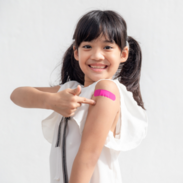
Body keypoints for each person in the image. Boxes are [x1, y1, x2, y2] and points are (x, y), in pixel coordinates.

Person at [10, 10, 148, 183]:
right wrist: (52, 101)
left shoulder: (107, 89)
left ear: (123, 54)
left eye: (107, 47)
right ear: (76, 52)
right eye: (87, 46)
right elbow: (16, 95)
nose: (97, 55)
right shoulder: (70, 90)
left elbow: (89, 155)